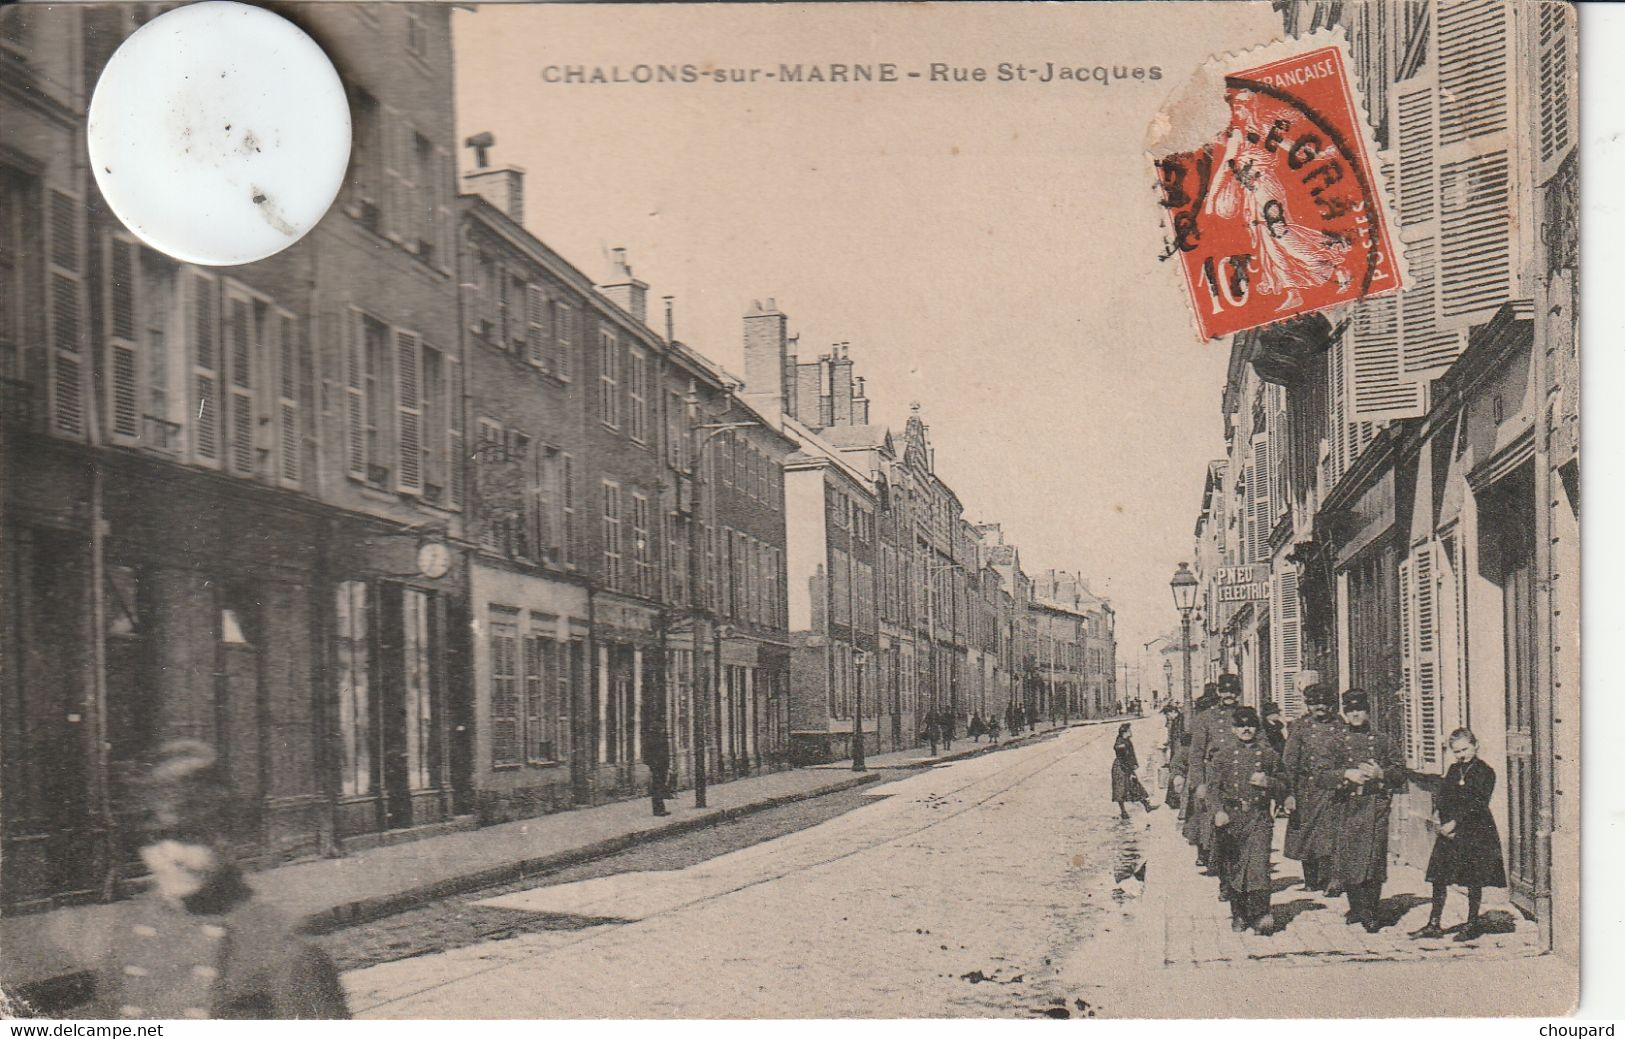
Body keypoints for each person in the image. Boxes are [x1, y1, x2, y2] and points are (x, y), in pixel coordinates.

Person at [90, 741, 349, 1020]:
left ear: (226, 835)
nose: (171, 856)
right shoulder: (131, 931)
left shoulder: (281, 949)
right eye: (153, 839)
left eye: (190, 836)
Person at [1318, 689, 1406, 932]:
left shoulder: (1382, 740)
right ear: (1345, 713)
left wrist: (1382, 774)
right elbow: (1320, 775)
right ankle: (1357, 907)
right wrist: (1346, 774)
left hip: (1374, 805)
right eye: (1350, 710)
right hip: (1346, 807)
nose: (1355, 714)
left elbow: (1400, 773)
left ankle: (1370, 911)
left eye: (1360, 709)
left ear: (1368, 710)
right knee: (1349, 859)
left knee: (1374, 859)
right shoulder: (1335, 742)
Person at [1412, 728, 1507, 942]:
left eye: (1464, 749)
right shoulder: (1454, 770)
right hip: (1449, 831)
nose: (1461, 755)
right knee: (1439, 876)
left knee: (1474, 878)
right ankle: (1434, 923)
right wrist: (1439, 814)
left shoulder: (1485, 772)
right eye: (1456, 751)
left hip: (1475, 831)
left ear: (1476, 745)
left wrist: (1455, 823)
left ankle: (1472, 923)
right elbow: (1444, 794)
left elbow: (1478, 803)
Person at [1208, 706, 1287, 934]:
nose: (1246, 729)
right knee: (1235, 867)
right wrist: (1218, 811)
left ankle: (1261, 914)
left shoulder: (1269, 755)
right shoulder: (1222, 757)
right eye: (1241, 725)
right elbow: (1213, 789)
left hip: (1259, 817)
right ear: (1233, 729)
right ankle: (1239, 914)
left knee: (1259, 867)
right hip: (1231, 819)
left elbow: (1284, 784)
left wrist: (1269, 783)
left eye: (1250, 725)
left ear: (1257, 728)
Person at [1281, 679, 1345, 892]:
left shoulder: (1340, 726)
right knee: (1306, 835)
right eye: (1315, 703)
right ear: (1308, 705)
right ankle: (1310, 879)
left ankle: (1331, 880)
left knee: (1331, 834)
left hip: (1334, 788)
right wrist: (1288, 793)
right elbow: (1289, 762)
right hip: (1306, 789)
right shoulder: (1300, 727)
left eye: (1324, 703)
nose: (1320, 708)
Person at [1110, 723, 1157, 818]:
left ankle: (1147, 806)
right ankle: (1123, 812)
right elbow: (1124, 758)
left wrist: (1134, 764)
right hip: (1121, 768)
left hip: (1126, 767)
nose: (1131, 732)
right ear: (1125, 732)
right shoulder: (1121, 743)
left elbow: (1131, 755)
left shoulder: (1126, 741)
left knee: (1135, 786)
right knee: (1121, 790)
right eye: (1129, 730)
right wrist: (1130, 771)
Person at [644, 723, 673, 817]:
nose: (663, 731)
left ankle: (661, 809)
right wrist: (652, 765)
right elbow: (647, 755)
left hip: (662, 767)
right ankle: (658, 810)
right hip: (657, 767)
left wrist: (667, 766)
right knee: (657, 788)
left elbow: (666, 755)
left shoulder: (662, 739)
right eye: (662, 729)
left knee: (660, 787)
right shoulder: (653, 740)